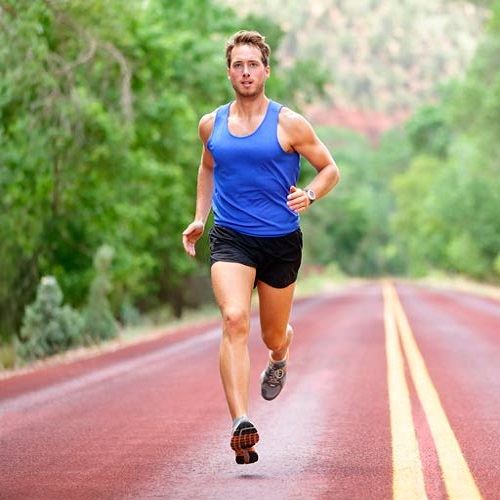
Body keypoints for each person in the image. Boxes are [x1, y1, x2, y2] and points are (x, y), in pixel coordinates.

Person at [182, 30, 340, 465]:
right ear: (229, 71)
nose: (246, 71)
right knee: (234, 319)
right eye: (238, 64)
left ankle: (281, 353)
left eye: (253, 64)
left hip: (281, 242)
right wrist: (200, 217)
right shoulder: (210, 124)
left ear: (266, 70)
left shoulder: (289, 123)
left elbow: (330, 169)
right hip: (231, 237)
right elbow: (207, 167)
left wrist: (309, 195)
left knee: (272, 332)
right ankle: (241, 423)